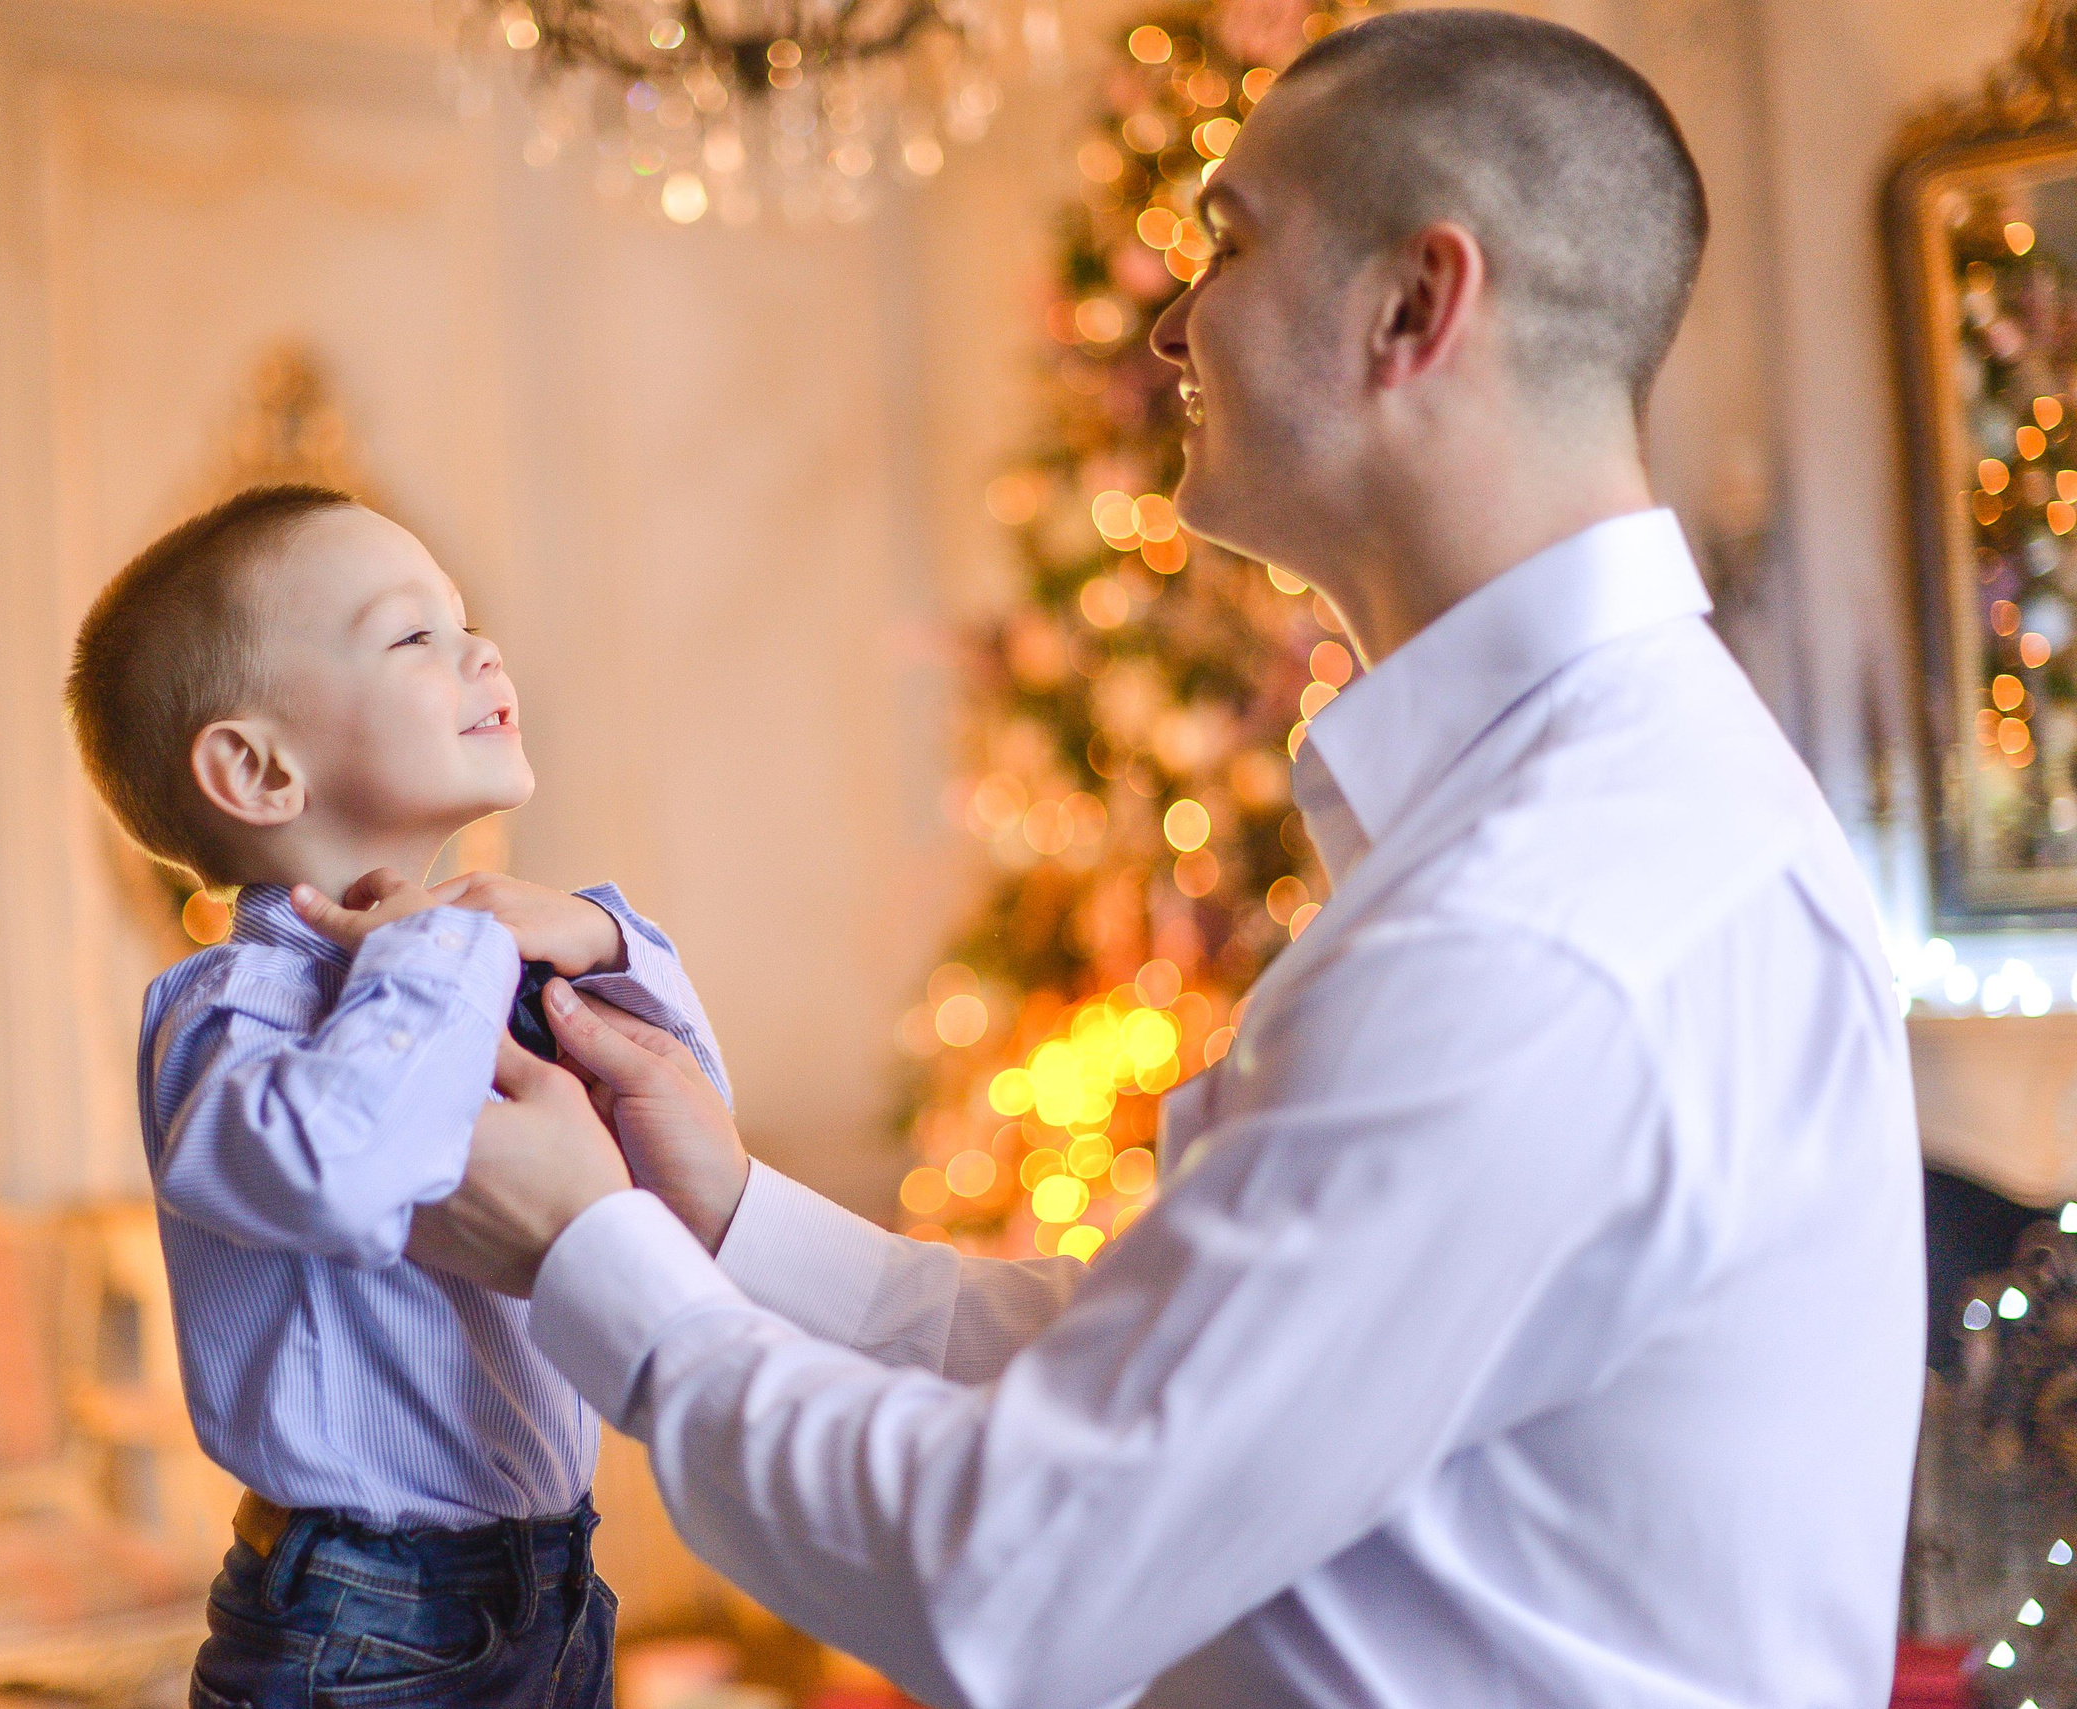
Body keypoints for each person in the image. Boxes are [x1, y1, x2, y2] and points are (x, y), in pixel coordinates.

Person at [408, 12, 1927, 1708]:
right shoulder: (1582, 816)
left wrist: (583, 1256)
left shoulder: (1541, 924)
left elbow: (1020, 1575)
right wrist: (724, 1218)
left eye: (1230, 238)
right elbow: (1175, 1388)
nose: (1172, 316)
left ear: (1415, 308)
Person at [63, 484, 729, 1709]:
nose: (483, 649)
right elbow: (346, 1164)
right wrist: (440, 950)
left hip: (554, 1577)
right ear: (258, 768)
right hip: (357, 1620)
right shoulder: (229, 1011)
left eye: (466, 617)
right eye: (413, 634)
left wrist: (596, 935)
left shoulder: (487, 952)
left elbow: (692, 1126)